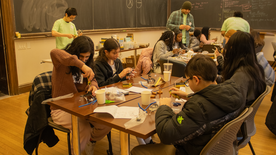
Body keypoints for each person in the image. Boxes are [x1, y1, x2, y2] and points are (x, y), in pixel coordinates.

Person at [131, 54, 244, 155]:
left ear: (196, 79)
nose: (188, 83)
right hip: (221, 150)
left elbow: (166, 134)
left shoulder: (197, 107)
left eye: (188, 80)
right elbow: (211, 104)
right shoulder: (233, 92)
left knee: (137, 151)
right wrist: (189, 97)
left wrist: (163, 107)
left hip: (191, 150)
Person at [50, 36, 111, 154]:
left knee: (107, 123)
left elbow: (93, 79)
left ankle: (90, 141)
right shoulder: (62, 63)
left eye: (87, 57)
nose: (84, 60)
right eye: (81, 56)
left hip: (83, 107)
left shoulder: (89, 64)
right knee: (83, 128)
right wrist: (81, 65)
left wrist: (93, 85)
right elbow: (54, 52)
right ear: (74, 53)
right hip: (61, 108)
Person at [219, 31, 266, 106]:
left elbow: (231, 104)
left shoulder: (241, 75)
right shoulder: (255, 68)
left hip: (233, 113)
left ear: (234, 49)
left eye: (229, 46)